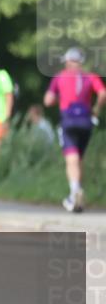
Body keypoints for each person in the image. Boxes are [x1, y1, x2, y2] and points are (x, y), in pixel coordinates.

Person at [44, 47, 105, 213]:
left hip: (69, 122)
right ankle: (78, 193)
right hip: (86, 122)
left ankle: (74, 192)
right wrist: (95, 110)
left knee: (71, 159)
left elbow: (47, 100)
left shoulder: (60, 77)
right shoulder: (90, 77)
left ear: (67, 62)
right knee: (79, 159)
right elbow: (102, 94)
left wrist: (59, 98)